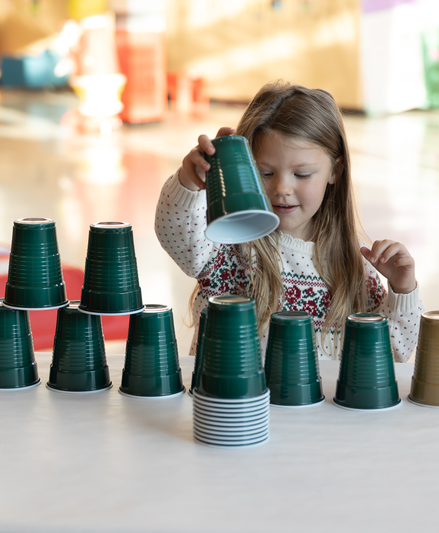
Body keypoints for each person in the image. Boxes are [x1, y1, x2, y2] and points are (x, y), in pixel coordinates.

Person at [155, 81, 424, 362]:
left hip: (321, 406)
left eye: (302, 174)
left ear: (335, 170)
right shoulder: (228, 245)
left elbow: (395, 351)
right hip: (235, 406)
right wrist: (190, 181)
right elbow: (174, 231)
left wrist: (403, 289)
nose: (282, 188)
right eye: (266, 173)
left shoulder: (356, 265)